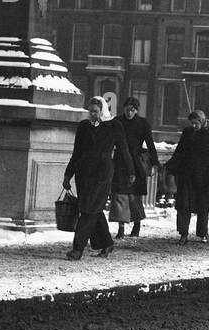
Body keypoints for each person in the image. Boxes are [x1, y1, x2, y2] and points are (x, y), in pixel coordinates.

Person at [63, 96, 135, 260]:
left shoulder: (113, 125)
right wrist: (68, 175)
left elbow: (124, 149)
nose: (92, 114)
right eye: (90, 111)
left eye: (95, 111)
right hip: (83, 175)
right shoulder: (83, 126)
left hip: (102, 174)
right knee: (93, 209)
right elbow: (76, 153)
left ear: (102, 111)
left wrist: (131, 171)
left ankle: (78, 249)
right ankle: (107, 243)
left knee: (88, 211)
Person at [165, 109, 209, 244]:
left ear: (202, 122)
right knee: (183, 205)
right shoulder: (187, 133)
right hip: (186, 176)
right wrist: (169, 166)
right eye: (191, 123)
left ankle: (203, 233)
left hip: (205, 178)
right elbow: (179, 152)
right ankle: (183, 234)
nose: (193, 126)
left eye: (196, 123)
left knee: (203, 206)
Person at [113, 97, 158, 240]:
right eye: (127, 109)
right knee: (120, 197)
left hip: (137, 164)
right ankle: (121, 228)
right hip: (120, 163)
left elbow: (150, 144)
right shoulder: (117, 121)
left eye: (132, 110)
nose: (129, 113)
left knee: (134, 197)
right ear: (123, 109)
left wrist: (154, 162)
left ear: (136, 110)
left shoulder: (143, 124)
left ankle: (137, 224)